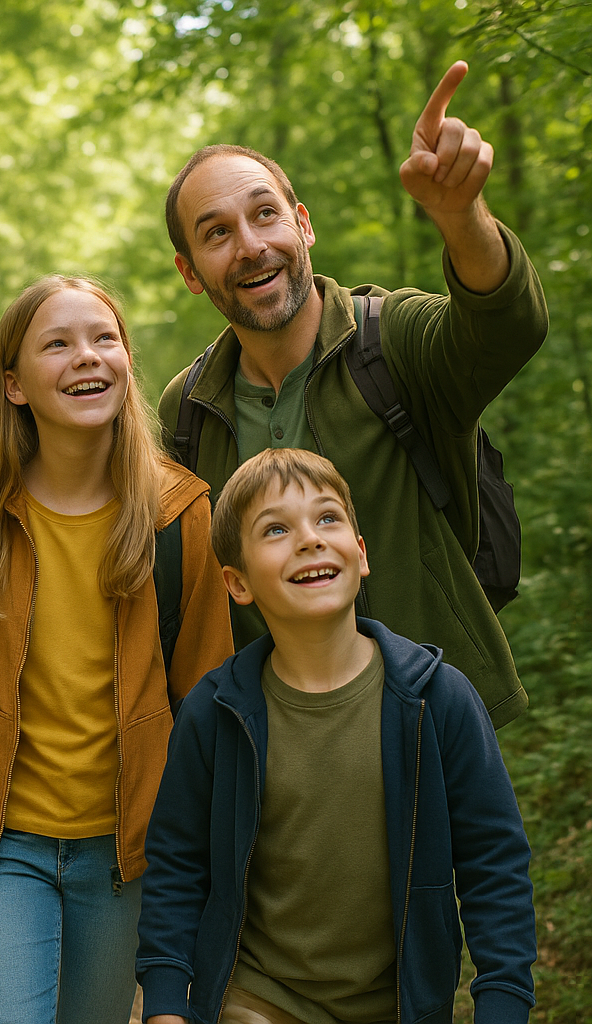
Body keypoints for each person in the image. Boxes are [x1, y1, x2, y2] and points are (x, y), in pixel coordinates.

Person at [158, 60, 549, 728]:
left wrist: (461, 217)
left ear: (303, 225)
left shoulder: (390, 341)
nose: (250, 247)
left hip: (431, 728)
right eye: (217, 233)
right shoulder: (188, 409)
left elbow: (507, 326)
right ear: (191, 272)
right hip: (272, 756)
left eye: (265, 215)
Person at [0, 275, 232, 1024]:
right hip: (3, 851)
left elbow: (209, 708)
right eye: (58, 343)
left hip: (126, 855)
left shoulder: (181, 515)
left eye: (103, 338)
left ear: (125, 362)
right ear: (14, 386)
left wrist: (201, 869)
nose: (87, 356)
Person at [136, 447, 537, 1024]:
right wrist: (168, 1004)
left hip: (399, 1005)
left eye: (328, 518)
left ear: (361, 552)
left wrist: (502, 1002)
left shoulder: (436, 700)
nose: (309, 539)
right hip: (255, 1000)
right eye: (276, 529)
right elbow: (178, 863)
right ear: (237, 582)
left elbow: (493, 865)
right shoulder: (216, 711)